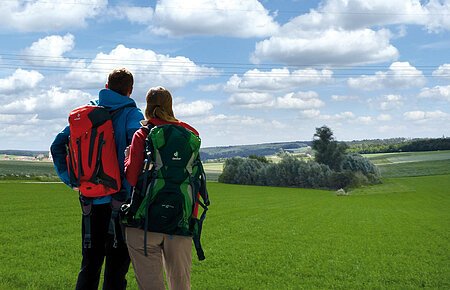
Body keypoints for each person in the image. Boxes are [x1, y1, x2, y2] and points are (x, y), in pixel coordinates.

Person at [50, 68, 144, 290]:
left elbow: (57, 146)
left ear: (106, 86)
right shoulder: (133, 116)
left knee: (90, 266)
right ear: (130, 90)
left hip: (90, 202)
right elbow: (140, 156)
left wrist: (73, 180)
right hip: (122, 205)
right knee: (116, 272)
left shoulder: (87, 115)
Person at [124, 86, 199, 290]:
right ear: (171, 105)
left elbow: (132, 178)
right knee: (181, 284)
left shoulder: (143, 134)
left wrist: (127, 158)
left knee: (151, 286)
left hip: (145, 221)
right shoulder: (191, 133)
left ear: (147, 106)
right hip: (181, 221)